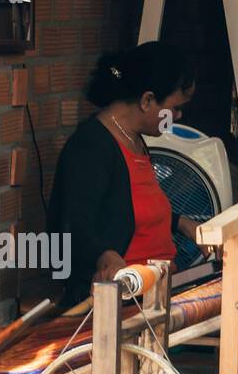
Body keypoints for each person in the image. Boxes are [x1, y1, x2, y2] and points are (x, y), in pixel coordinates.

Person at [49, 41, 212, 304]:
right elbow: (72, 225)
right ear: (147, 100)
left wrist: (182, 223)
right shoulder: (91, 148)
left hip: (158, 290)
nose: (178, 116)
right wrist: (105, 255)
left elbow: (130, 207)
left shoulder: (134, 140)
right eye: (175, 108)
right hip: (125, 299)